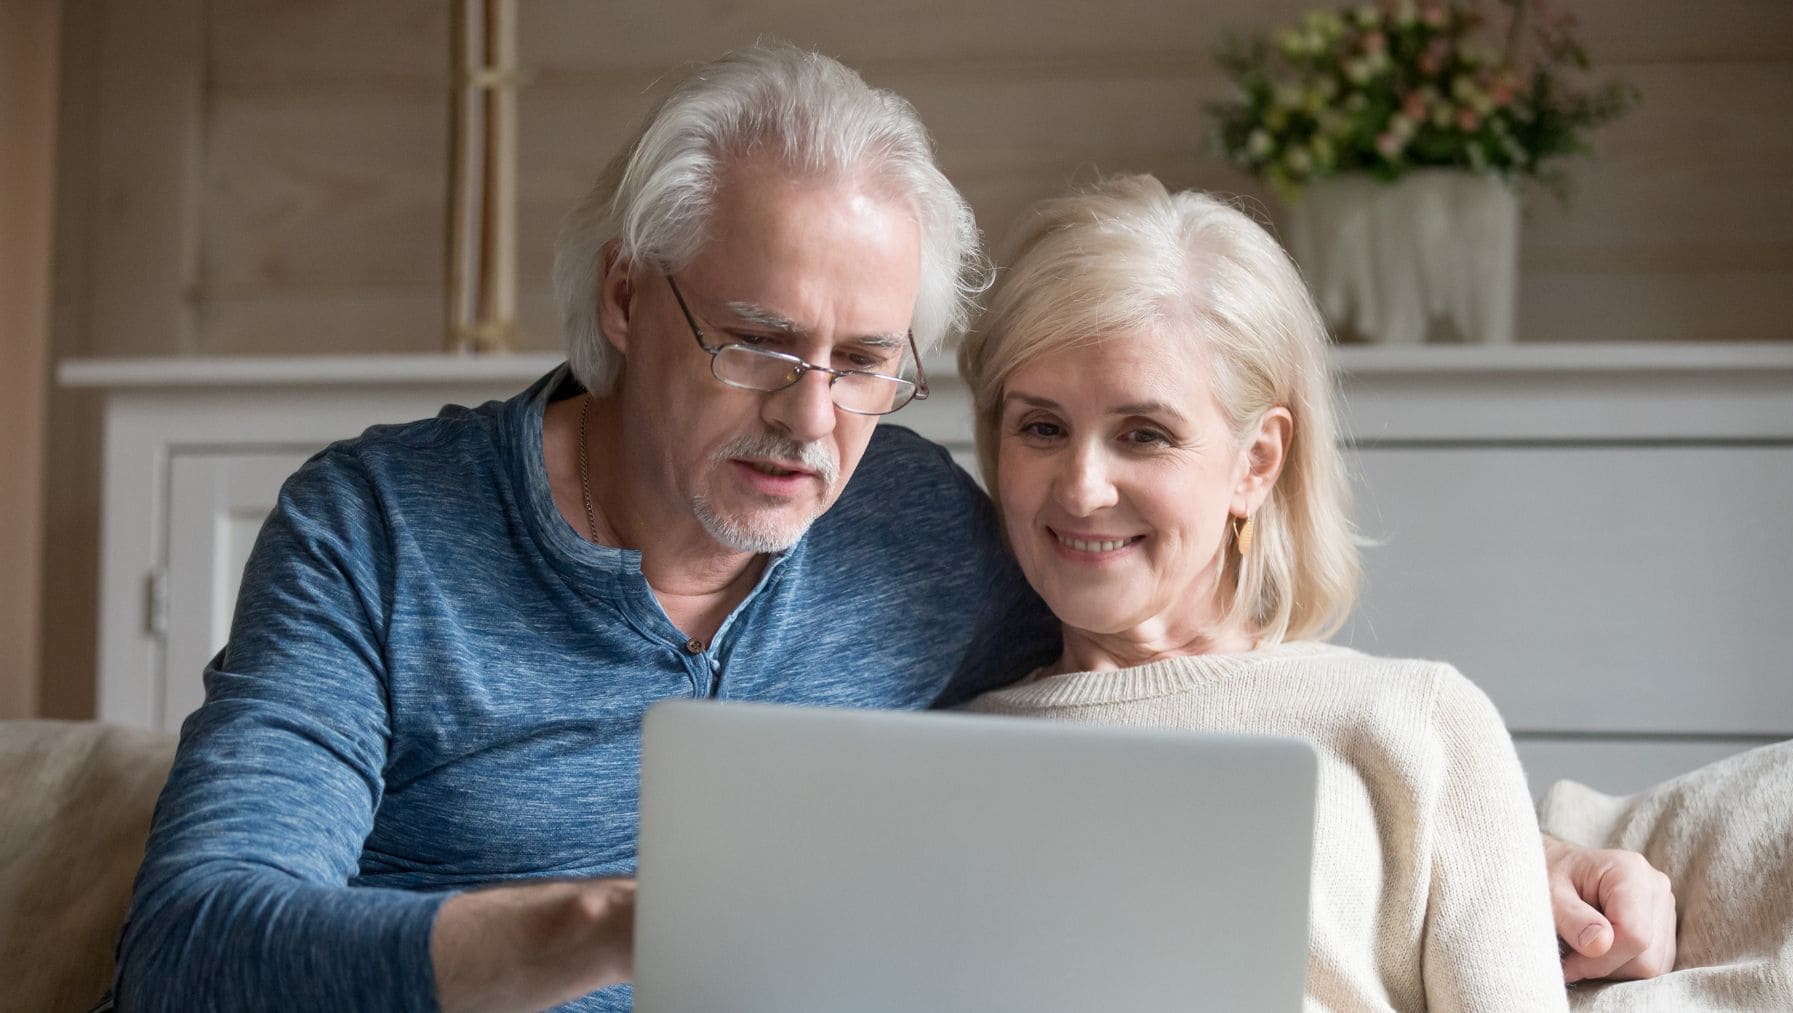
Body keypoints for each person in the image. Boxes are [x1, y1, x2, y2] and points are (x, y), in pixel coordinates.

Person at [114, 43, 1672, 1012]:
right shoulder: (374, 530)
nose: (810, 421)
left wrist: (1502, 849)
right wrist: (612, 930)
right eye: (758, 341)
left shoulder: (925, 530)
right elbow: (191, 952)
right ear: (623, 298)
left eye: (867, 364)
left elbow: (1162, 693)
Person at [955, 174, 1584, 1009]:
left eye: (1144, 434)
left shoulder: (1415, 724)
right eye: (1042, 427)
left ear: (1256, 461)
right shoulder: (936, 751)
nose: (1081, 487)